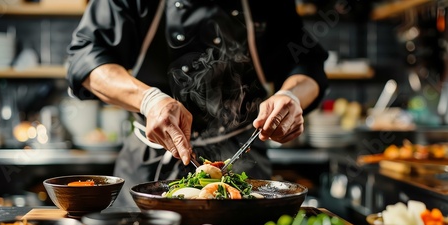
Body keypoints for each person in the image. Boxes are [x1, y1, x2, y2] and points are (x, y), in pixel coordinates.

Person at [66, 0, 328, 208]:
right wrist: (149, 100)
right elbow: (85, 58)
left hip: (244, 165)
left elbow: (307, 61)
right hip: (149, 166)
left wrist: (292, 96)